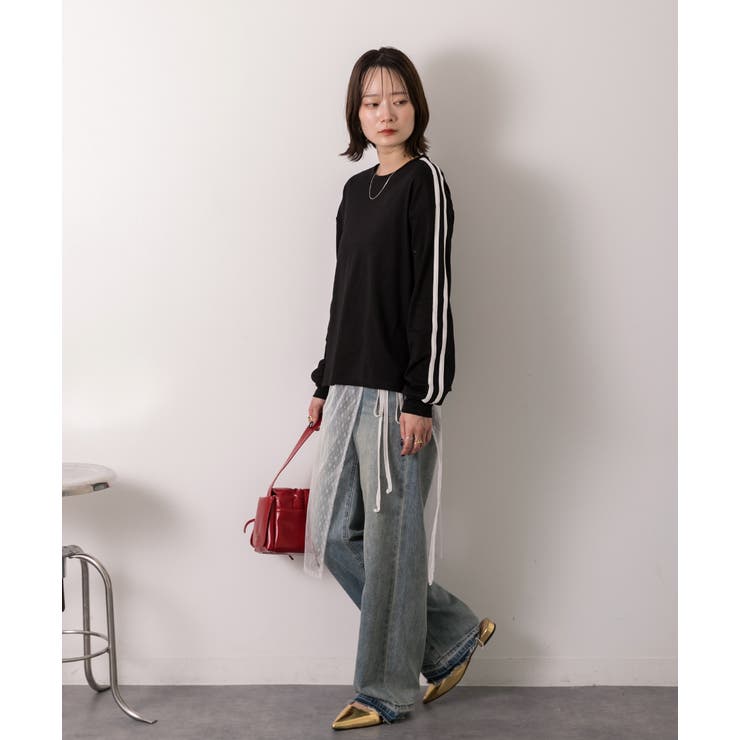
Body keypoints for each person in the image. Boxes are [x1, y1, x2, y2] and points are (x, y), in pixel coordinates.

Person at [303, 47, 496, 731]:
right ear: (356, 113)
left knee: (389, 549)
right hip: (347, 390)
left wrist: (422, 397)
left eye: (398, 99)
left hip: (395, 398)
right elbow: (345, 294)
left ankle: (386, 690)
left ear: (416, 105)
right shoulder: (354, 191)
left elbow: (431, 295)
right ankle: (448, 634)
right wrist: (324, 379)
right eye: (371, 102)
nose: (385, 112)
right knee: (332, 535)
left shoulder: (426, 183)